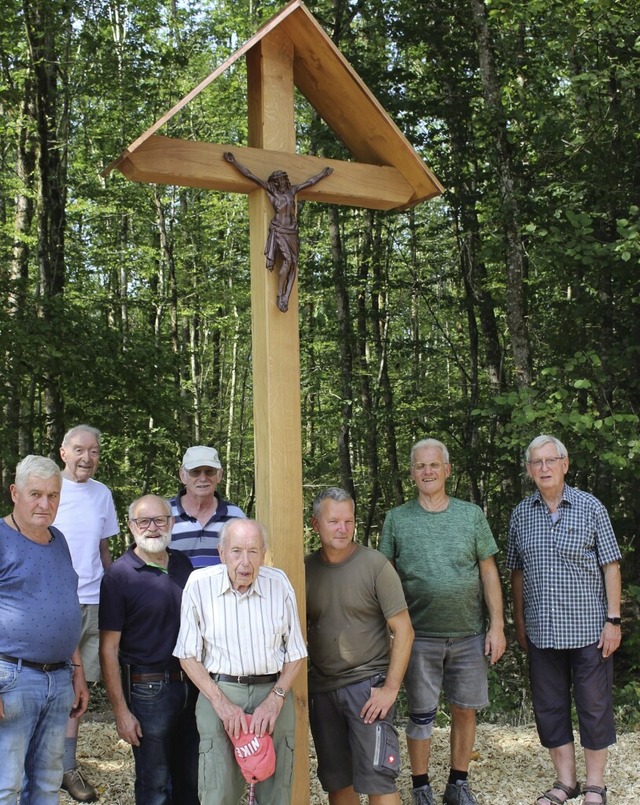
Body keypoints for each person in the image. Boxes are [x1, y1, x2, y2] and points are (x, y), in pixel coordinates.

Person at [379, 438, 506, 805]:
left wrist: (497, 625)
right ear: (412, 473)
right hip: (418, 637)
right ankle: (420, 786)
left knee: (465, 710)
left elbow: (488, 572)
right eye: (420, 466)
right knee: (420, 715)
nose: (428, 472)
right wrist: (390, 630)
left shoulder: (471, 515)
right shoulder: (397, 518)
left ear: (447, 470)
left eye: (434, 465)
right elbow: (385, 575)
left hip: (468, 634)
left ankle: (458, 783)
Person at [506, 435, 622, 805]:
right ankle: (565, 782)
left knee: (594, 706)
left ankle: (595, 785)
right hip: (542, 632)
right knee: (550, 708)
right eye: (536, 463)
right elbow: (517, 573)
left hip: (590, 631)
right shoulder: (521, 515)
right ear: (529, 470)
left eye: (550, 461)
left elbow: (611, 565)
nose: (544, 468)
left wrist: (613, 620)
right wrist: (519, 622)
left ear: (565, 464)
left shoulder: (590, 507)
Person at [174, 517, 307, 805]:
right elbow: (186, 654)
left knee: (277, 791)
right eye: (236, 551)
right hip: (219, 690)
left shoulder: (279, 583)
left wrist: (276, 698)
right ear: (222, 553)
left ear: (264, 553)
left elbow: (296, 653)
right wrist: (221, 704)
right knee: (218, 791)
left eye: (253, 551)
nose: (244, 562)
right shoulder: (199, 584)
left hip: (273, 691)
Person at [306, 487, 414, 805]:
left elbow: (404, 631)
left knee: (379, 778)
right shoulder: (305, 570)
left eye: (349, 521)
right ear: (316, 524)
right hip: (323, 690)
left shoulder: (375, 566)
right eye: (333, 521)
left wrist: (390, 689)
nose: (342, 528)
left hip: (368, 688)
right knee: (338, 782)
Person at [0, 455, 89, 804]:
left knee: (48, 783)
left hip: (59, 678)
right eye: (35, 494)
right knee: (7, 785)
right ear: (14, 493)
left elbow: (65, 608)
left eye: (53, 495)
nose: (45, 503)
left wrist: (78, 670)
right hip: (12, 678)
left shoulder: (59, 540)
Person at [99, 494, 198, 805]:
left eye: (160, 520)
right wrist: (121, 712)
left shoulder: (184, 564)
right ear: (131, 526)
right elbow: (108, 649)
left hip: (192, 686)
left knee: (192, 780)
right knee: (154, 785)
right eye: (144, 521)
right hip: (148, 690)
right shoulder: (119, 575)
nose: (153, 527)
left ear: (171, 523)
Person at [54, 424, 119, 803]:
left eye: (93, 451)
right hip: (56, 602)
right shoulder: (50, 491)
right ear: (63, 452)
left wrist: (116, 589)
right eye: (79, 450)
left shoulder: (102, 495)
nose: (87, 458)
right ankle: (40, 761)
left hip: (95, 601)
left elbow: (103, 549)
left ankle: (66, 766)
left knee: (79, 690)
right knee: (45, 683)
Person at [223, 151, 333, 312]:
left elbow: (310, 182)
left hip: (292, 231)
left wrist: (323, 174)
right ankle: (280, 295)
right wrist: (234, 163)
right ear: (274, 182)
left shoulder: (292, 191)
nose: (281, 182)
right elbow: (250, 175)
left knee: (293, 264)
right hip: (280, 230)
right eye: (278, 179)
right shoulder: (271, 191)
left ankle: (285, 297)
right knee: (288, 261)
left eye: (283, 179)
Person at [170, 444, 245, 568]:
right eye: (195, 472)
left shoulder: (236, 517)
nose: (203, 478)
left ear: (219, 475)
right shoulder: (164, 515)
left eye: (209, 471)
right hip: (176, 588)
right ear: (182, 475)